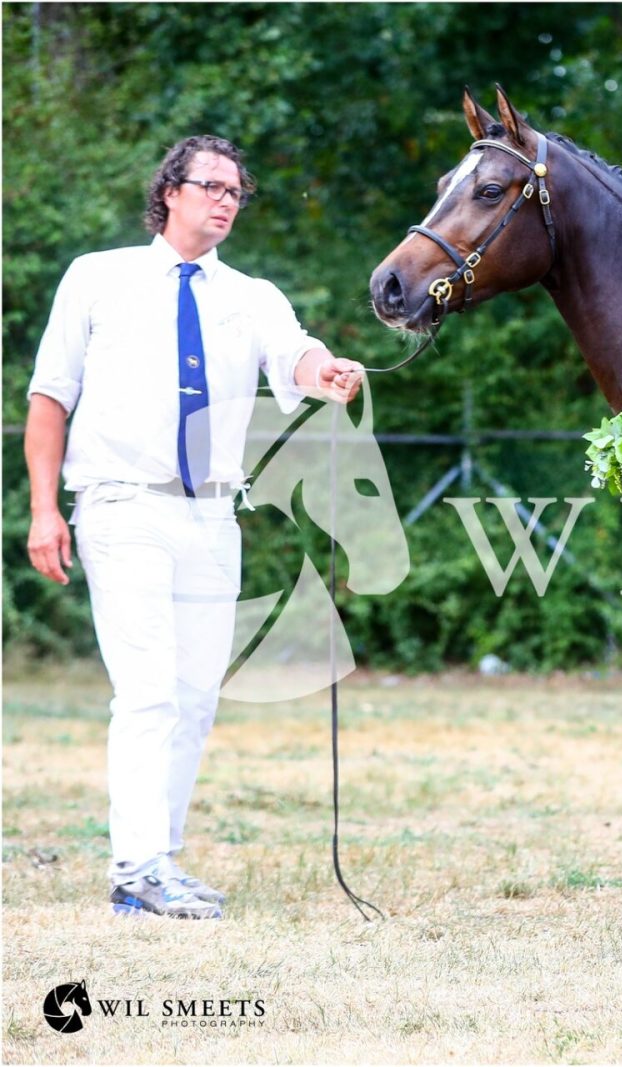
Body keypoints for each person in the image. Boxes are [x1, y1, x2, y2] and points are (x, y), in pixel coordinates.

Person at [24, 134, 365, 920]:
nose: (225, 201)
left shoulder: (252, 294)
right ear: (170, 191)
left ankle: (159, 862)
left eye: (236, 192)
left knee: (195, 695)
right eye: (211, 185)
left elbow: (295, 354)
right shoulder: (97, 277)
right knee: (147, 691)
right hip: (122, 504)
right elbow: (49, 398)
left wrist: (327, 371)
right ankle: (138, 867)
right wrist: (44, 509)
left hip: (214, 513)